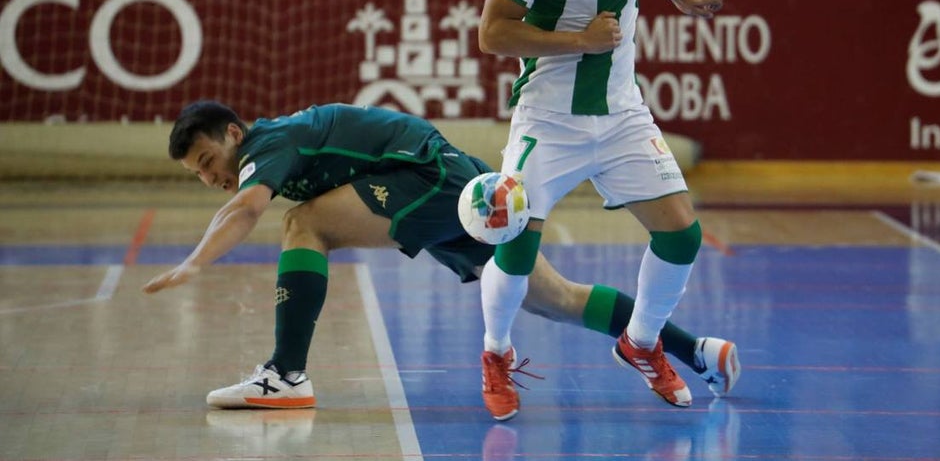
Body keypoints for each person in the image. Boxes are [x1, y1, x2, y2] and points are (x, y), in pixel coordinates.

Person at [142, 101, 740, 409]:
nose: (209, 177)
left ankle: (285, 375)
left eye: (207, 162)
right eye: (197, 173)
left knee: (305, 224)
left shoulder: (267, 144)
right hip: (452, 181)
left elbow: (245, 210)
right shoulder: (276, 142)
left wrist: (197, 260)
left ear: (233, 136)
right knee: (554, 300)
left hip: (424, 175)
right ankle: (700, 351)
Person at [475, 0, 725, 421]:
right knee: (513, 242)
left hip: (621, 116)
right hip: (549, 120)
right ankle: (495, 353)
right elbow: (492, 32)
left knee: (682, 235)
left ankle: (639, 344)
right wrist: (579, 41)